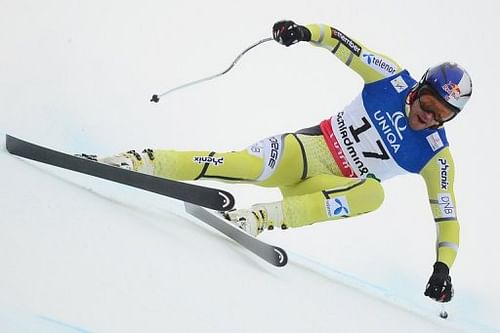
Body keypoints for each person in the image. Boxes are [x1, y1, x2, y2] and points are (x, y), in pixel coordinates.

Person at [96, 20, 472, 303]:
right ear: (418, 89)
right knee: (238, 165)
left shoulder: (436, 155)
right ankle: (138, 161)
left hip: (321, 190)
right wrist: (303, 33)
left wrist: (443, 268)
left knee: (373, 195)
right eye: (427, 105)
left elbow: (447, 216)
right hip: (305, 153)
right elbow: (341, 42)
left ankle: (259, 218)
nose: (429, 118)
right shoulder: (390, 78)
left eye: (441, 116)